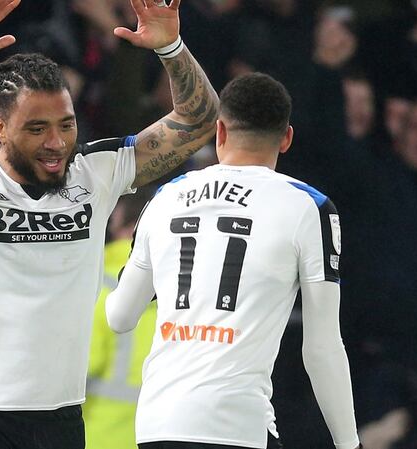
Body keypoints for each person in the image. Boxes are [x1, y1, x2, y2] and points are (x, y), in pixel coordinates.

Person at [0, 0, 218, 447]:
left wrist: (171, 48)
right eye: (36, 128)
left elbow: (199, 120)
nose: (56, 142)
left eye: (66, 125)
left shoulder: (98, 172)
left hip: (60, 418)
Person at [106, 72, 360, 449]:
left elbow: (120, 317)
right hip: (237, 425)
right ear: (286, 138)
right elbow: (321, 347)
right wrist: (349, 443)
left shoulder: (165, 197)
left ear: (219, 132)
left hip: (157, 426)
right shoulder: (309, 206)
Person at [85, 190, 157, 449]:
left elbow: (83, 363)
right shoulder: (181, 284)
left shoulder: (97, 282)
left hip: (101, 433)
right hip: (161, 433)